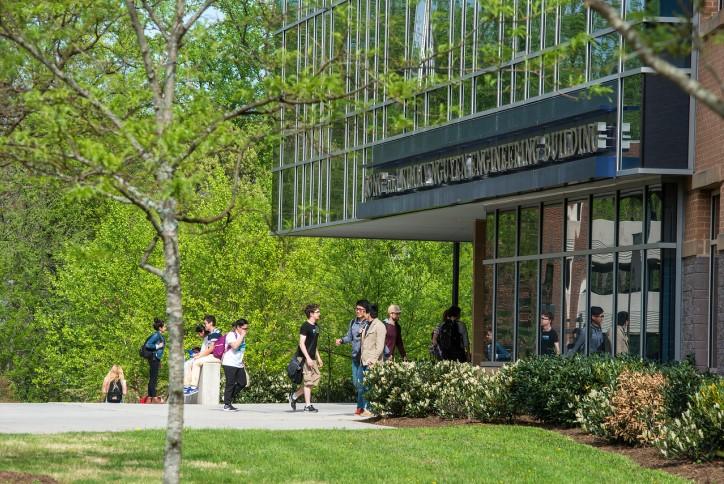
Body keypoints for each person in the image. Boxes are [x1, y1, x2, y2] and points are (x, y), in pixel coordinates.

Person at [334, 299, 369, 415]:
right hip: (355, 357)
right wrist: (341, 340)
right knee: (356, 383)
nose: (357, 311)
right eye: (356, 309)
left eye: (359, 309)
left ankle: (362, 407)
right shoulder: (353, 322)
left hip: (364, 358)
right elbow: (349, 337)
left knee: (362, 383)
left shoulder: (368, 323)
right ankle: (364, 406)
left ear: (365, 310)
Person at [290, 304, 323, 413]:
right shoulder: (305, 326)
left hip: (312, 358)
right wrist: (308, 358)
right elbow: (301, 344)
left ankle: (294, 396)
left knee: (314, 379)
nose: (319, 314)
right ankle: (307, 406)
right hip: (304, 358)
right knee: (308, 382)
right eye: (317, 312)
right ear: (311, 314)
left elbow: (314, 344)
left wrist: (318, 357)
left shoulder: (316, 327)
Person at [359, 304, 386, 417]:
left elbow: (380, 346)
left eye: (365, 312)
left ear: (369, 313)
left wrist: (373, 360)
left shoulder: (379, 326)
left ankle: (372, 409)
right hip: (364, 360)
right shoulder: (367, 325)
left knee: (373, 386)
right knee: (365, 386)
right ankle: (368, 409)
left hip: (372, 361)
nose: (362, 314)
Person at [184, 314, 222, 395]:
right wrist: (198, 355)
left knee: (196, 362)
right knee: (192, 361)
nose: (204, 326)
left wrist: (199, 356)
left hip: (216, 356)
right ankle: (187, 386)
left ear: (210, 323)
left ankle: (193, 387)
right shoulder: (212, 333)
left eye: (205, 323)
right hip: (212, 355)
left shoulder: (215, 333)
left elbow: (211, 349)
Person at [221, 319, 249, 412]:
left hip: (238, 363)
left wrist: (243, 361)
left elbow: (240, 351)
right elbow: (235, 346)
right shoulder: (231, 335)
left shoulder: (242, 336)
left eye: (247, 328)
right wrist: (242, 335)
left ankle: (227, 397)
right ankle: (227, 405)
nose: (246, 330)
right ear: (238, 327)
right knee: (230, 383)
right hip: (229, 363)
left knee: (242, 383)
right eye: (244, 328)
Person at [144, 317, 166, 402]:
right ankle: (153, 396)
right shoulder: (156, 335)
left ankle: (150, 397)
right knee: (153, 377)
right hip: (153, 358)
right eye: (164, 326)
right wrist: (157, 346)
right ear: (160, 328)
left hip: (156, 358)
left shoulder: (160, 335)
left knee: (153, 377)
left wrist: (159, 360)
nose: (165, 328)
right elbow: (148, 345)